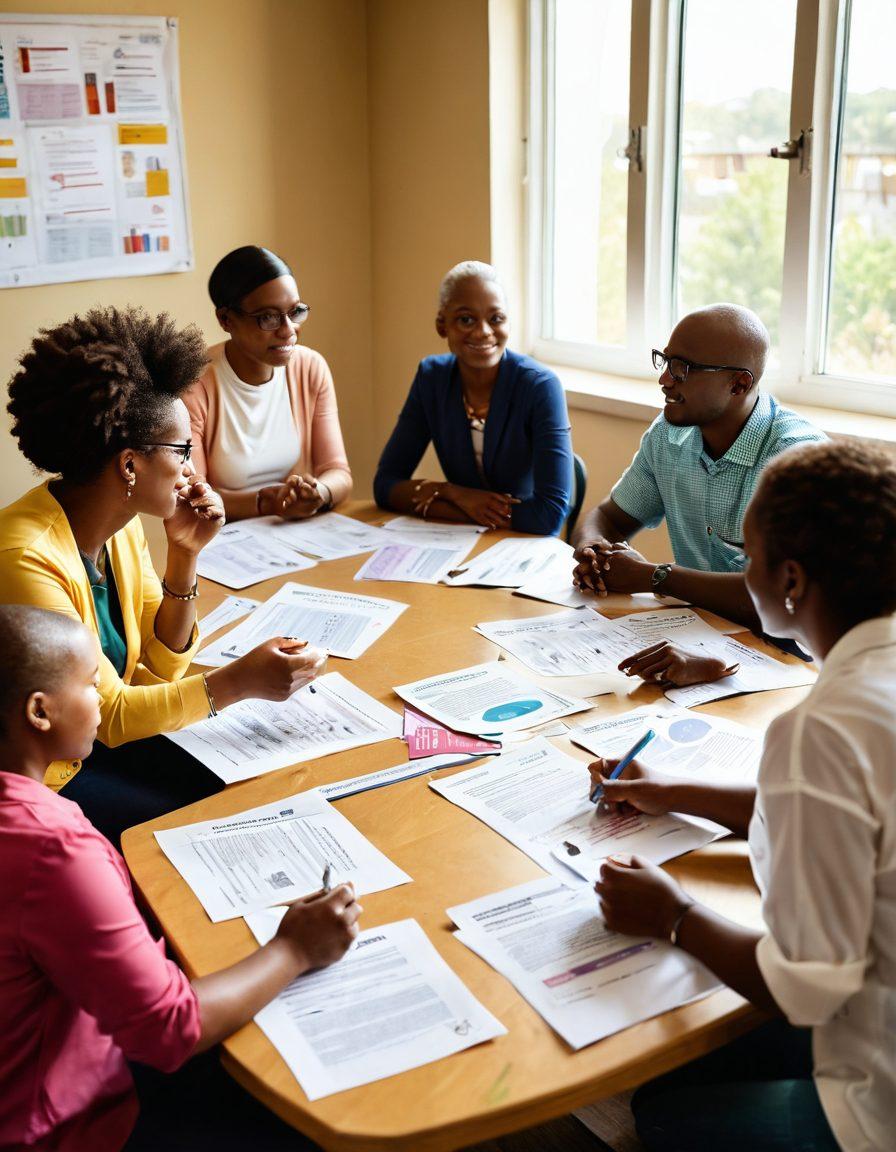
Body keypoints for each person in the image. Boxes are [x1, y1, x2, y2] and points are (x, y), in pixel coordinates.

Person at [590, 439, 896, 1152]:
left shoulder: (821, 729)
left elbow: (805, 992)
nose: (741, 570)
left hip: (878, 1103)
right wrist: (674, 791)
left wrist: (675, 916)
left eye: (745, 555)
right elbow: (855, 815)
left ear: (789, 580)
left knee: (662, 1107)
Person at [0, 604, 360, 1152]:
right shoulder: (51, 846)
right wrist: (295, 948)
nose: (101, 700)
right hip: (61, 1120)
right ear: (40, 712)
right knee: (325, 1118)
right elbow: (168, 1031)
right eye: (92, 685)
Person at [0, 307, 325, 844]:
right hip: (50, 777)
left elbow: (159, 671)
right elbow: (115, 716)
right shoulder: (24, 555)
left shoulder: (118, 525)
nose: (192, 470)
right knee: (204, 823)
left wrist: (185, 555)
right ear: (130, 466)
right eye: (183, 451)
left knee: (253, 788)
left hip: (100, 748)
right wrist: (240, 682)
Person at [573, 303, 825, 684]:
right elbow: (608, 517)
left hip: (786, 660)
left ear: (739, 384)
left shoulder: (794, 460)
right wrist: (594, 551)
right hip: (697, 633)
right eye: (665, 361)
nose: (665, 380)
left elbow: (782, 602)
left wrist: (656, 577)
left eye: (683, 368)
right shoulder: (669, 433)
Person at [373, 260, 573, 535]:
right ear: (442, 325)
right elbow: (385, 486)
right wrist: (454, 493)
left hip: (523, 541)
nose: (483, 332)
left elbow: (549, 514)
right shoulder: (432, 378)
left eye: (496, 318)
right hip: (458, 541)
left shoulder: (540, 386)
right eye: (466, 319)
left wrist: (447, 504)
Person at [186, 245, 352, 521]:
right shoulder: (195, 382)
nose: (288, 330)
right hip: (220, 542)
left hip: (292, 537)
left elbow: (338, 473)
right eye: (268, 317)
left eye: (295, 311)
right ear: (226, 319)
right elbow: (193, 500)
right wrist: (265, 502)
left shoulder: (310, 368)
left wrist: (319, 492)